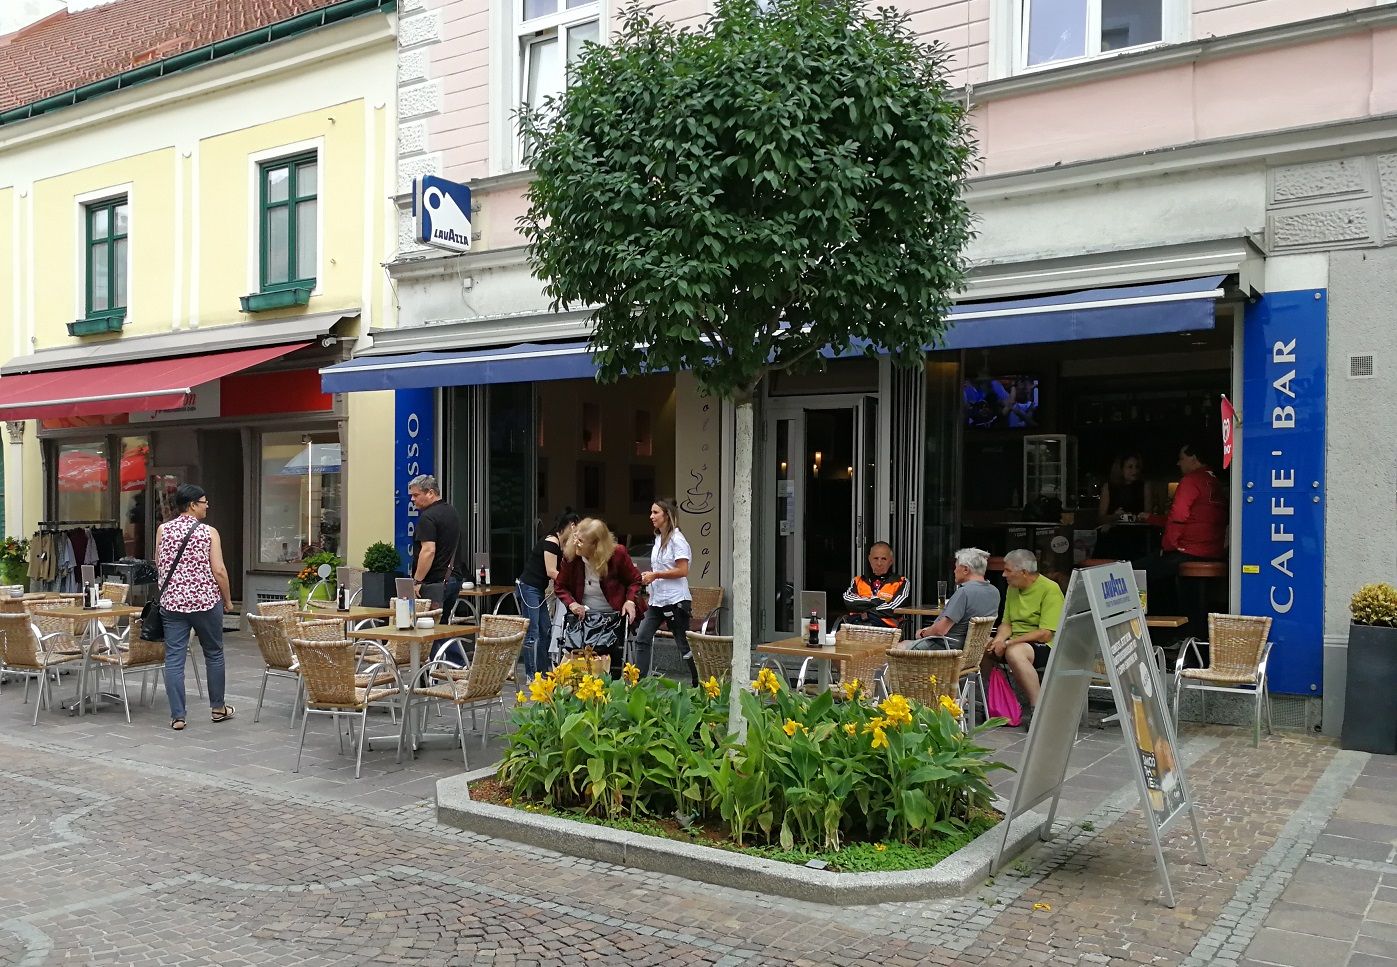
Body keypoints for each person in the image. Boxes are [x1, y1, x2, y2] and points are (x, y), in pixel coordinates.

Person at [155, 484, 235, 731]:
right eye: (204, 501)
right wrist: (228, 600)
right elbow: (219, 570)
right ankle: (218, 708)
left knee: (174, 659)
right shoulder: (209, 533)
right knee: (213, 653)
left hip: (173, 604)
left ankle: (178, 716)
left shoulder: (163, 530)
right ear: (192, 505)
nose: (207, 505)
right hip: (205, 602)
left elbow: (159, 563)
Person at [1142, 442, 1228, 617]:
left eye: (1181, 458)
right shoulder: (1215, 481)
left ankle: (1161, 628)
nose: (1178, 463)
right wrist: (1151, 518)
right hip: (1214, 552)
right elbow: (1196, 519)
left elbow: (1178, 517)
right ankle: (1186, 628)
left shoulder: (1190, 481)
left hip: (1189, 552)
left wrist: (1167, 548)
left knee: (1137, 572)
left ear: (1193, 458)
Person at [985, 548, 1064, 728]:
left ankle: (1038, 709)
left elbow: (1045, 633)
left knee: (1014, 653)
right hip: (1015, 641)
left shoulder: (1050, 589)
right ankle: (1001, 701)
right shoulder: (1013, 588)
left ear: (1024, 572)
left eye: (1008, 571)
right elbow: (1007, 623)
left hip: (1044, 645)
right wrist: (998, 640)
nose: (1003, 575)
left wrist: (1008, 643)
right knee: (981, 645)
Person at [554, 518, 641, 669]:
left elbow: (635, 580)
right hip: (583, 617)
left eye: (581, 541)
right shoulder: (571, 556)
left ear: (596, 544)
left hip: (612, 617)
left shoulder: (617, 554)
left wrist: (630, 601)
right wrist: (572, 603)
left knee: (609, 657)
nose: (576, 543)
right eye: (576, 538)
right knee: (578, 655)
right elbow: (560, 585)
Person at [632, 499, 697, 683]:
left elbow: (683, 570)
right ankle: (640, 683)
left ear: (666, 515)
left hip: (676, 600)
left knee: (683, 645)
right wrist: (650, 577)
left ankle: (699, 683)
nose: (651, 516)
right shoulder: (658, 539)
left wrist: (656, 575)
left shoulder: (677, 539)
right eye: (651, 512)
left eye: (655, 512)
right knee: (642, 637)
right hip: (657, 600)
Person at [515, 510, 580, 677]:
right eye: (577, 528)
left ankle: (543, 671)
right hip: (529, 587)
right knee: (533, 631)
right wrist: (571, 582)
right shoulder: (551, 541)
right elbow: (551, 571)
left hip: (538, 589)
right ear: (571, 525)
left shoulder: (560, 544)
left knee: (546, 629)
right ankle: (531, 673)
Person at [913, 547, 1001, 649]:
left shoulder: (964, 592)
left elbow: (940, 630)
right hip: (970, 651)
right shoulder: (994, 591)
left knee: (898, 647)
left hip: (945, 648)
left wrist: (923, 633)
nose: (954, 571)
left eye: (956, 567)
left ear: (965, 570)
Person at [407, 474, 463, 616]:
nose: (412, 499)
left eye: (416, 495)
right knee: (442, 628)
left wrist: (417, 581)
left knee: (427, 629)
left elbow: (428, 551)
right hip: (453, 578)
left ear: (430, 493)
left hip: (434, 582)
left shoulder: (428, 517)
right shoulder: (452, 511)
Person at [1095, 452, 1156, 560]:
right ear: (1120, 469)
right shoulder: (1109, 487)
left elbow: (1148, 515)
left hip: (1136, 535)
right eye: (1130, 467)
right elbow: (1101, 518)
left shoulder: (1144, 486)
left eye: (1137, 467)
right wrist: (1114, 517)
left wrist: (1135, 518)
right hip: (1113, 534)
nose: (1134, 471)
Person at [841, 541, 911, 628]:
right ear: (869, 559)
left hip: (885, 630)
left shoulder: (901, 582)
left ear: (891, 561)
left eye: (884, 559)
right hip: (857, 628)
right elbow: (849, 602)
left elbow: (893, 608)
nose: (879, 563)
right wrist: (877, 602)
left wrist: (866, 611)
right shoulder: (858, 581)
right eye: (875, 558)